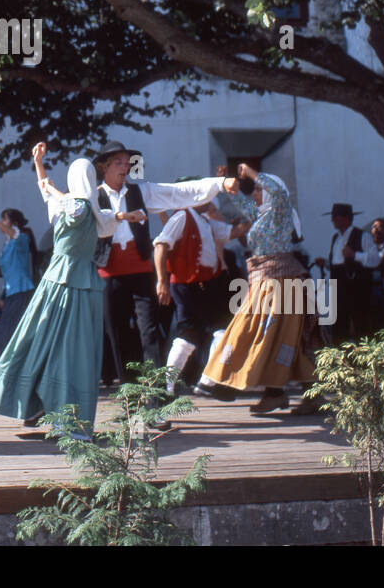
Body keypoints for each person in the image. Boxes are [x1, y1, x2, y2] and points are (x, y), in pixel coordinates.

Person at [0, 143, 128, 437]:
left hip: (60, 284)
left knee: (47, 343)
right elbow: (48, 193)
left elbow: (69, 202)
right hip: (79, 285)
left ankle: (53, 410)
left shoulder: (80, 208)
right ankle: (47, 406)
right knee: (67, 349)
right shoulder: (95, 214)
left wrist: (53, 187)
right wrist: (39, 164)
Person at [90, 141, 230, 390]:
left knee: (150, 332)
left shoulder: (140, 192)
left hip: (141, 271)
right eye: (118, 163)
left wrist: (218, 184)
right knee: (118, 335)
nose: (125, 167)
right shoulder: (93, 197)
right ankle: (130, 400)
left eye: (127, 162)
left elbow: (178, 192)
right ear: (103, 167)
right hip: (109, 274)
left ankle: (156, 396)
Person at [202, 164, 318, 415]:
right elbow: (241, 204)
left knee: (268, 331)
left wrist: (251, 172)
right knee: (282, 335)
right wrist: (223, 182)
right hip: (267, 279)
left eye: (258, 190)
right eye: (254, 190)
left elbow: (277, 192)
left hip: (281, 279)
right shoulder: (263, 215)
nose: (255, 193)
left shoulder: (280, 210)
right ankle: (278, 393)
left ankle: (250, 386)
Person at [152, 190, 242, 397]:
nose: (211, 205)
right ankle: (197, 382)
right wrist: (162, 281)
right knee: (208, 332)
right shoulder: (182, 216)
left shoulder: (205, 222)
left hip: (202, 284)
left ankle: (185, 384)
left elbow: (235, 231)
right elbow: (161, 245)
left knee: (203, 333)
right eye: (208, 200)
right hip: (186, 284)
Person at [0, 209, 37, 376]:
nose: (1, 223)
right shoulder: (7, 245)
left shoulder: (22, 239)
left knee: (6, 333)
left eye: (4, 220)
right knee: (6, 333)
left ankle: (1, 374)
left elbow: (14, 234)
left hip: (21, 292)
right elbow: (0, 265)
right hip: (11, 293)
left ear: (15, 223)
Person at [315, 203, 363, 340]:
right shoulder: (335, 239)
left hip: (355, 285)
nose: (333, 220)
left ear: (346, 218)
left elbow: (372, 260)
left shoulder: (361, 236)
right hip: (338, 285)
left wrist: (355, 255)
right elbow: (336, 265)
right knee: (339, 323)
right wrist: (325, 263)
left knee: (358, 322)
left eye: (336, 217)